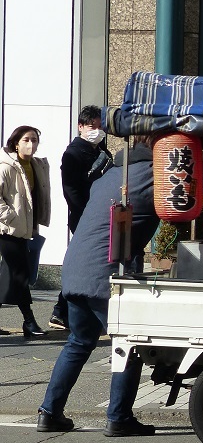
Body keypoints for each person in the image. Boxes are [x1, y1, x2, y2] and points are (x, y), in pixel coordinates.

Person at [37, 135, 160, 436]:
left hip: (75, 270)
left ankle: (49, 413)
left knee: (79, 342)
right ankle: (118, 417)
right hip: (104, 275)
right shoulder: (151, 177)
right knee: (128, 345)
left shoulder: (112, 173)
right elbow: (188, 195)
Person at [49, 105, 110, 330]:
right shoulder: (73, 153)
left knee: (84, 263)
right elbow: (71, 190)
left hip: (99, 215)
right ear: (80, 127)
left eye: (100, 126)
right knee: (81, 263)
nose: (96, 130)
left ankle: (61, 311)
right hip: (85, 216)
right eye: (92, 126)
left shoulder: (101, 150)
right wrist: (85, 213)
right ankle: (60, 311)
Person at [0, 125, 51, 337]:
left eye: (34, 140)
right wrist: (9, 217)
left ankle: (28, 322)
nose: (31, 144)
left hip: (24, 229)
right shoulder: (7, 166)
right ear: (16, 142)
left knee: (8, 276)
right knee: (20, 274)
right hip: (6, 229)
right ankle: (29, 321)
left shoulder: (36, 165)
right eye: (27, 140)